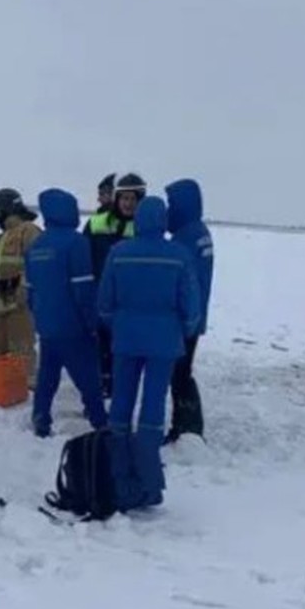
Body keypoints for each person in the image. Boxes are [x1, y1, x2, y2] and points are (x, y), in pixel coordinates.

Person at [98, 193, 203, 508]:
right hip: (164, 340)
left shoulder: (119, 253)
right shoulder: (179, 255)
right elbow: (191, 304)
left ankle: (117, 469)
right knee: (154, 403)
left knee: (121, 400)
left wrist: (117, 325)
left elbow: (104, 302)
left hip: (126, 338)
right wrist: (184, 330)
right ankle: (147, 476)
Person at [23, 188, 108, 437]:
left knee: (48, 375)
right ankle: (100, 420)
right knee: (88, 375)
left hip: (47, 324)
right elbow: (83, 289)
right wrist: (92, 322)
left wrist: (40, 317)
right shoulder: (76, 243)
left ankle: (40, 417)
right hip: (74, 325)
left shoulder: (36, 246)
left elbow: (30, 291)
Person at [163, 178, 214, 442]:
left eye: (171, 204)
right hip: (194, 316)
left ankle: (187, 427)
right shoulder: (199, 232)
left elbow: (181, 283)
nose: (169, 210)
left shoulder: (184, 239)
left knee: (179, 373)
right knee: (182, 371)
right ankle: (187, 425)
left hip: (184, 319)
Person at [86, 173, 144, 396]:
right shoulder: (96, 223)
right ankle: (101, 383)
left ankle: (120, 386)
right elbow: (84, 257)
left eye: (133, 199)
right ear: (117, 198)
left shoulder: (145, 228)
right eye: (124, 198)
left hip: (130, 301)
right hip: (100, 295)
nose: (128, 204)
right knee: (99, 344)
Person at [0, 188, 40, 361]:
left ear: (6, 210)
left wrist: (24, 290)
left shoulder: (28, 231)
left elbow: (35, 266)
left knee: (20, 354)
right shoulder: (3, 237)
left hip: (19, 307)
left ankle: (24, 379)